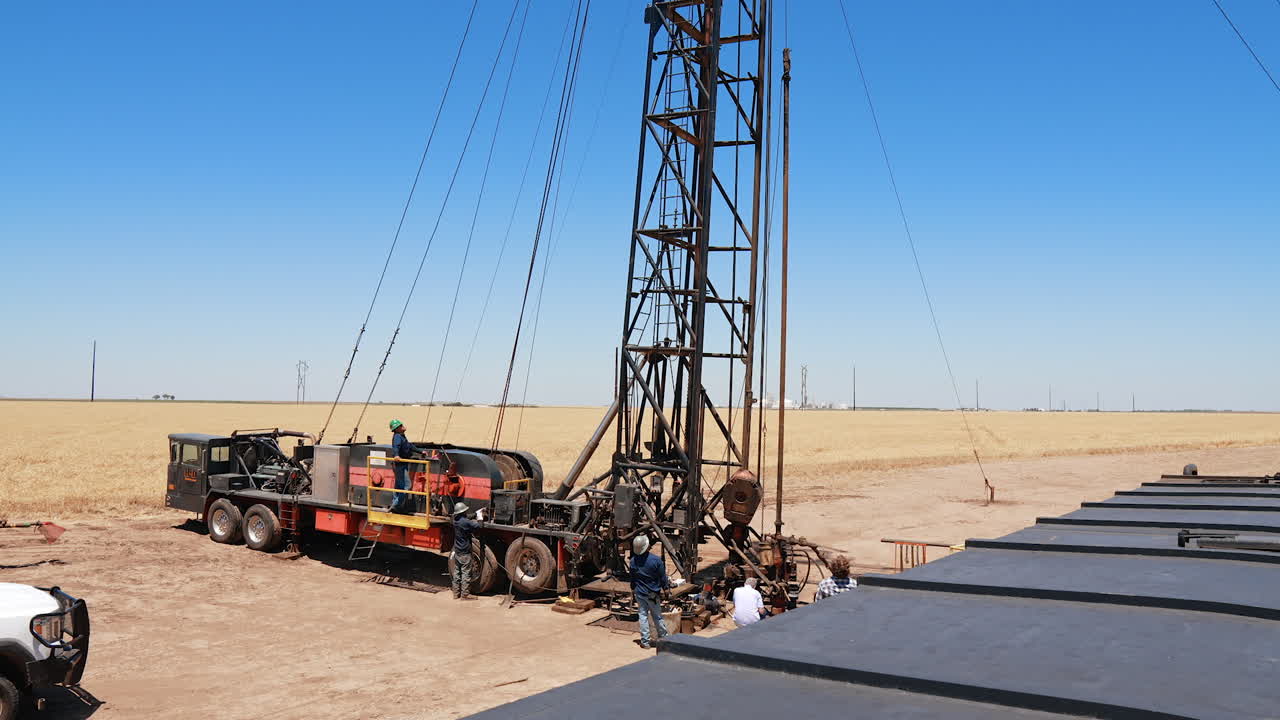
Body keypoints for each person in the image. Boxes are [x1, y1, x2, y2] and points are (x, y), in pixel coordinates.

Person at [625, 535, 672, 649]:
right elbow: (663, 578)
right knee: (657, 617)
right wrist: (666, 590)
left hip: (640, 593)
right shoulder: (656, 561)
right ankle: (664, 640)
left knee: (643, 616)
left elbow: (632, 578)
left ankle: (645, 642)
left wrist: (633, 588)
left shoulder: (633, 561)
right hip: (652, 594)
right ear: (646, 547)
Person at [450, 502, 483, 600]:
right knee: (465, 573)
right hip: (465, 551)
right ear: (463, 512)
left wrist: (475, 513)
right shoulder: (465, 522)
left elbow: (466, 517)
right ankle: (465, 595)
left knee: (457, 572)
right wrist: (480, 516)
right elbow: (479, 526)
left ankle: (456, 593)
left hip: (457, 550)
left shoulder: (455, 520)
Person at [388, 419, 419, 515]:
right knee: (407, 485)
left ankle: (395, 505)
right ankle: (396, 505)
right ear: (397, 429)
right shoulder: (397, 437)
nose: (403, 426)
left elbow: (409, 446)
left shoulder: (402, 436)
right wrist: (396, 455)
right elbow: (396, 447)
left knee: (398, 486)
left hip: (402, 464)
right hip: (400, 465)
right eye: (400, 425)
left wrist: (420, 451)